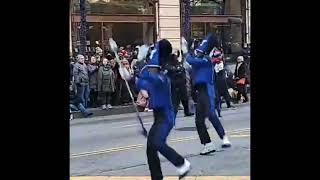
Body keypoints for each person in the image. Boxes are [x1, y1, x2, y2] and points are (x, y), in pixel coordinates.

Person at [137, 39, 190, 180]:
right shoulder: (158, 74)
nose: (151, 69)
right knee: (151, 149)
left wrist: (138, 63)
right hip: (159, 117)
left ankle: (182, 163)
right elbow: (143, 82)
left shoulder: (161, 78)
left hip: (166, 117)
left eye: (152, 67)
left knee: (157, 143)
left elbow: (145, 80)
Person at [186, 34, 231, 155]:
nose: (198, 52)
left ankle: (224, 137)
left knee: (211, 115)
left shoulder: (206, 60)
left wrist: (188, 50)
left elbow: (190, 60)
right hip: (200, 92)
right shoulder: (200, 60)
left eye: (200, 50)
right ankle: (208, 144)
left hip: (207, 90)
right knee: (199, 120)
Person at [163, 49, 193, 122]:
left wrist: (180, 72)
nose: (176, 57)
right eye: (174, 56)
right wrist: (177, 70)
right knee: (175, 102)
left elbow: (182, 70)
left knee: (185, 98)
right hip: (174, 84)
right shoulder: (168, 64)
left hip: (181, 83)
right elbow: (171, 70)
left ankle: (187, 111)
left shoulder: (179, 63)